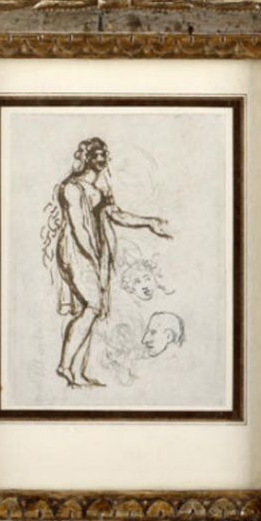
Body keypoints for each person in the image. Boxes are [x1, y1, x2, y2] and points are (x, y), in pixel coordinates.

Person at [54, 137, 171, 388]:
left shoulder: (102, 186)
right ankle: (65, 366)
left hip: (98, 250)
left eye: (103, 155)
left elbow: (117, 215)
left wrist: (149, 222)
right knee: (93, 306)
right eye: (96, 155)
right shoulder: (71, 188)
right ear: (86, 158)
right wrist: (94, 259)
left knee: (92, 310)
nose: (101, 159)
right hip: (77, 251)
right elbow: (79, 228)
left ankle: (77, 372)